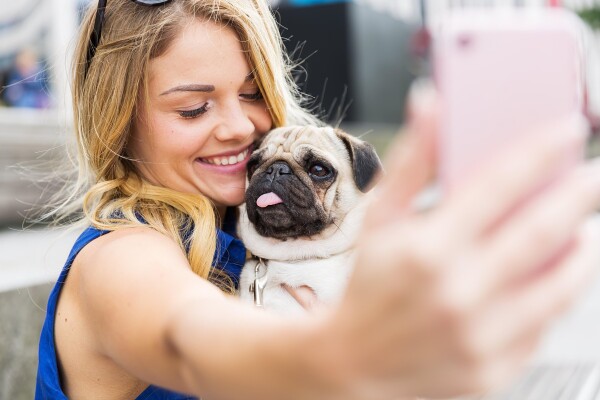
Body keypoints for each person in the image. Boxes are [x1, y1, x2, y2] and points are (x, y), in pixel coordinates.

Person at [35, 0, 600, 399]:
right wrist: (341, 353)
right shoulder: (121, 254)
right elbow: (186, 338)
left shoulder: (236, 223)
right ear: (119, 124)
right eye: (193, 108)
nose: (237, 126)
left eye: (253, 94)